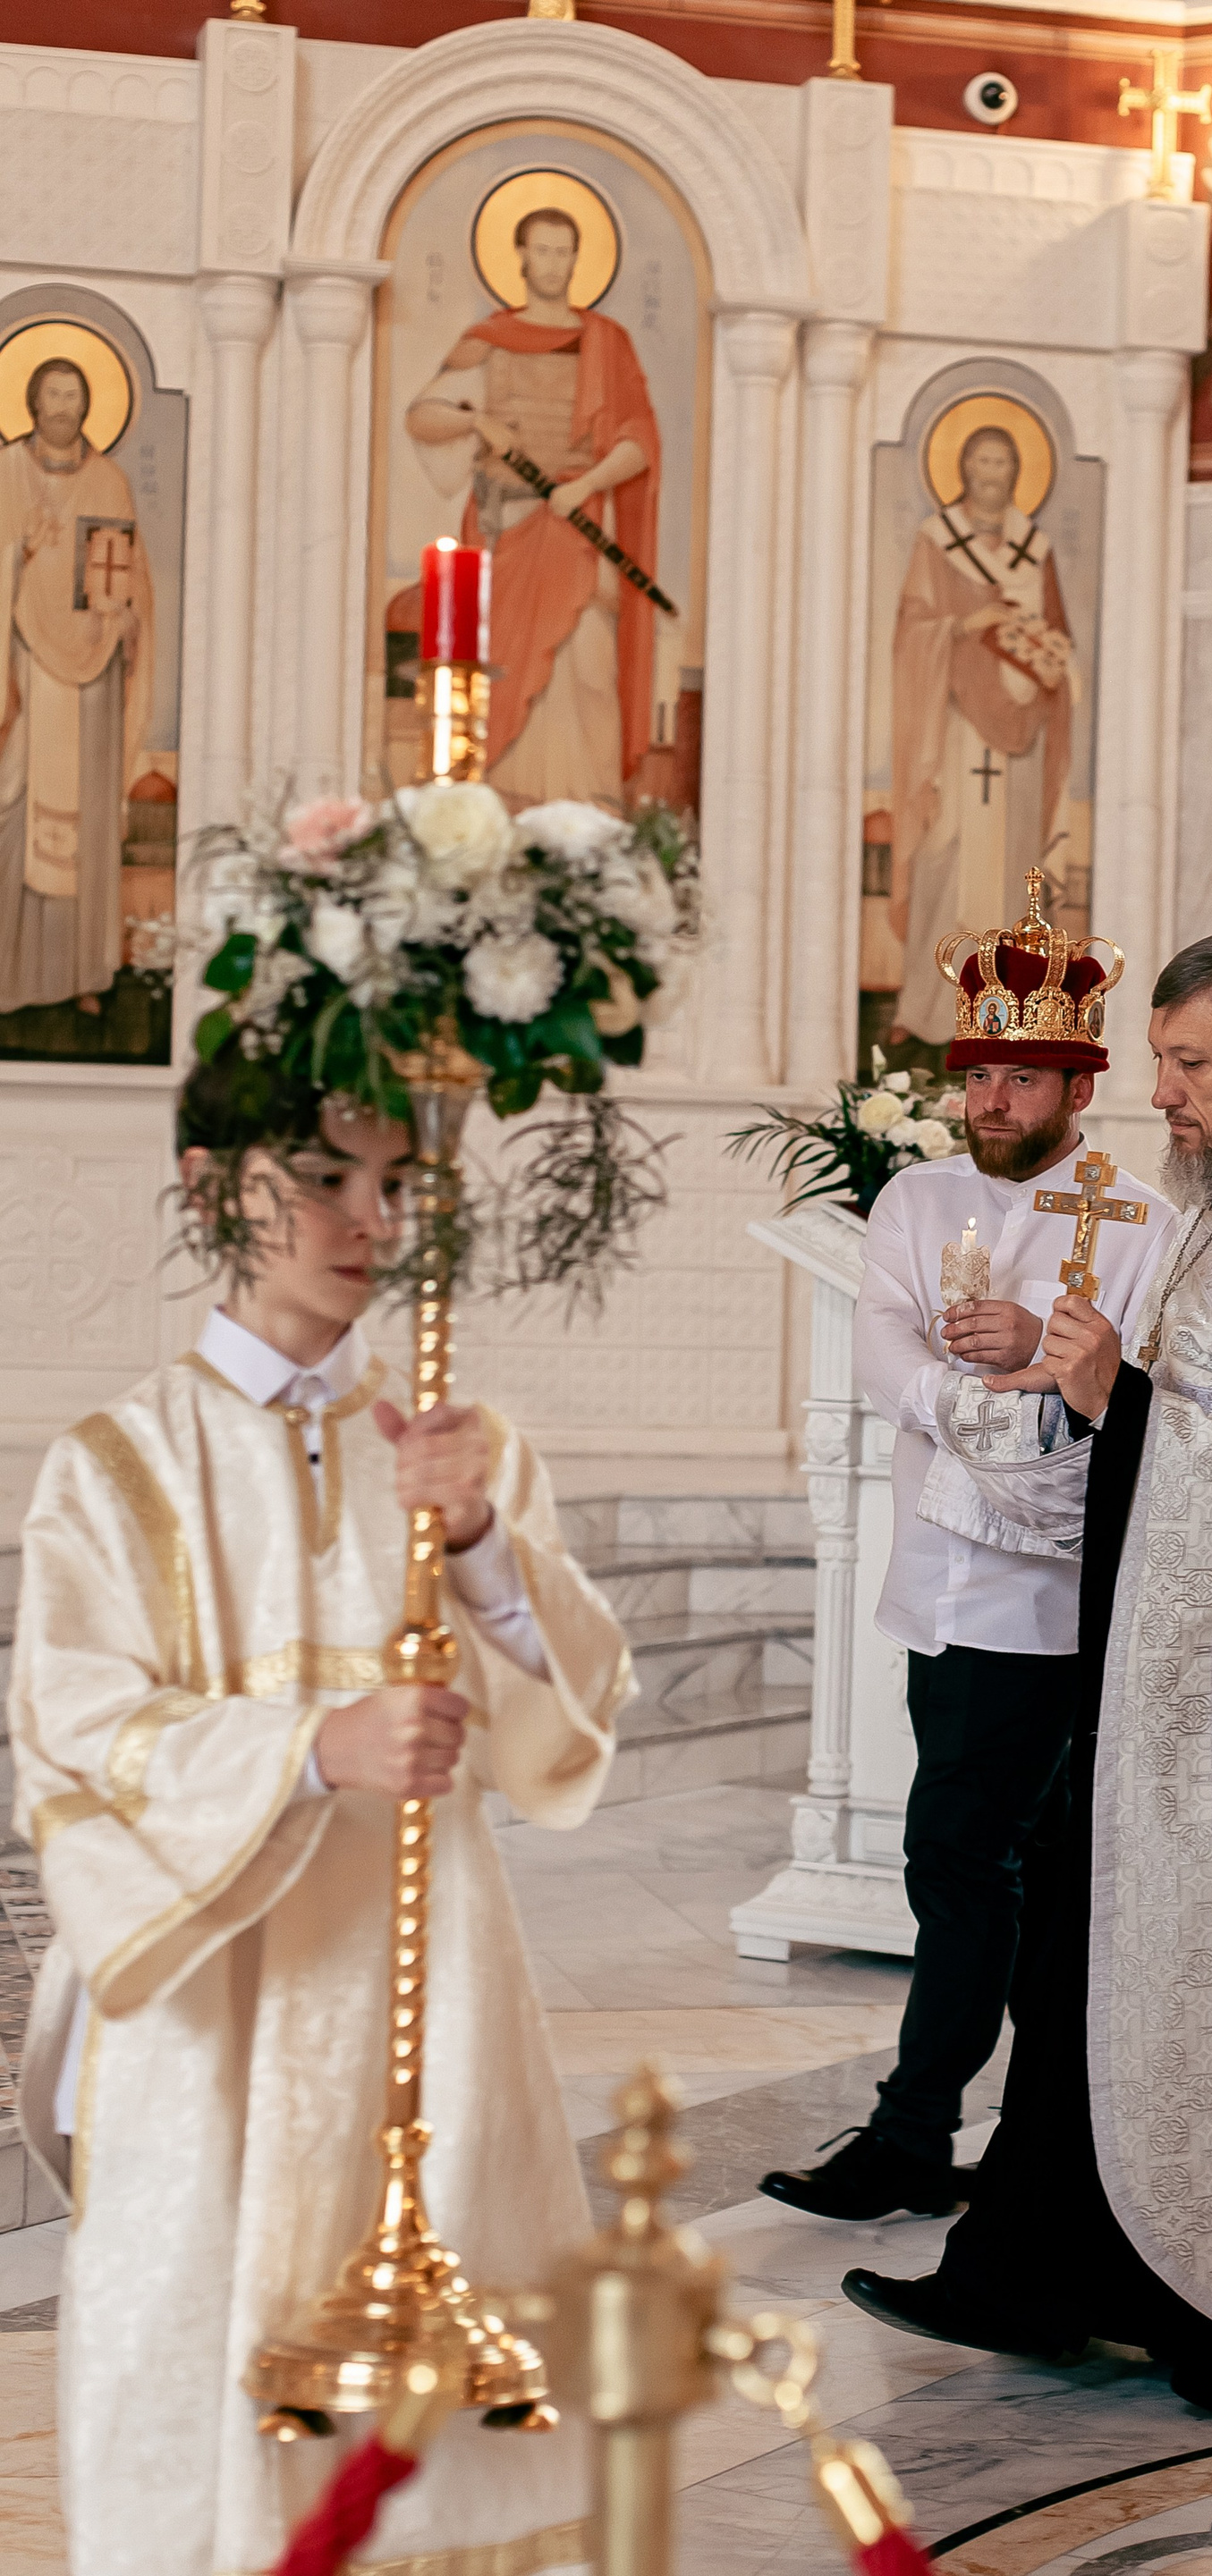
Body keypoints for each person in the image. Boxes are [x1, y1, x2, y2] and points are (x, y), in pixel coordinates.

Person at [13, 1042, 631, 2576]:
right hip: (211, 1999)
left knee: (433, 2427)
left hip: (429, 2003)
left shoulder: (456, 1448)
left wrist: (477, 1541)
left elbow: (573, 1710)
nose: (371, 1219)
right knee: (199, 2357)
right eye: (322, 1178)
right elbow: (73, 1732)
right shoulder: (116, 1466)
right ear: (209, 1186)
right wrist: (311, 1746)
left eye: (397, 1182)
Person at [844, 929, 1212, 2408]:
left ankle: (1177, 2291)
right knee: (1084, 1952)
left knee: (1137, 1967)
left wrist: (1118, 1391)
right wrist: (1126, 1388)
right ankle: (1039, 2271)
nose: (1162, 1093)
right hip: (1192, 1675)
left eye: (1190, 1064)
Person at [759, 871, 1173, 2223]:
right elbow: (883, 1343)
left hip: (1056, 1597)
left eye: (1022, 1079)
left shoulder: (1143, 1220)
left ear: (1079, 1085)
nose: (992, 1100)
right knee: (994, 1861)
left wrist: (1037, 1360)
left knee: (975, 1860)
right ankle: (1018, 2136)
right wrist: (964, 1393)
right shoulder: (918, 1200)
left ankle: (921, 2130)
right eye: (980, 1074)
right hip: (941, 1582)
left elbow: (1145, 1387)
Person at [406, 204, 661, 805]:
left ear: (577, 260)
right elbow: (423, 416)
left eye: (563, 252)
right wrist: (478, 423)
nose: (552, 264)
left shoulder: (608, 343)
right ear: (520, 255)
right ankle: (500, 810)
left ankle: (592, 809)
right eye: (541, 250)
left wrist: (587, 484)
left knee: (589, 662)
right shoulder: (490, 340)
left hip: (575, 527)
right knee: (503, 670)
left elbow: (640, 439)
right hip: (508, 527)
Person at [888, 424, 1075, 1054]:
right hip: (955, 728)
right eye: (981, 460)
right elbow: (913, 628)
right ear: (963, 468)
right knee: (945, 849)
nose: (991, 472)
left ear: (1017, 472)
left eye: (1001, 461)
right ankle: (927, 1007)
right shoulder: (936, 540)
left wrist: (1044, 661)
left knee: (1013, 864)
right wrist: (970, 623)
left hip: (1020, 733)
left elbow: (1057, 637)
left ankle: (1009, 1009)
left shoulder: (1034, 549)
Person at [0, 353, 155, 1011]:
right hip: (23, 668)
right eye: (53, 394)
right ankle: (11, 974)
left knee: (85, 823)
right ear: (32, 402)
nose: (64, 406)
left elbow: (129, 570)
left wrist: (127, 615)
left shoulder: (108, 480)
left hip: (92, 674)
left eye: (74, 395)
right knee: (17, 808)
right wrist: (20, 553)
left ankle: (79, 977)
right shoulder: (6, 472)